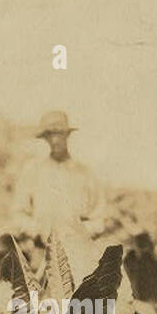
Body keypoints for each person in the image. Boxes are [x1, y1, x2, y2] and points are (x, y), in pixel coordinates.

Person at [11, 110, 105, 278]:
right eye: (49, 135)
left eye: (58, 134)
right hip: (41, 256)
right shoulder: (33, 170)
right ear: (44, 138)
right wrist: (37, 231)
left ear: (67, 135)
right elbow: (18, 214)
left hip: (79, 258)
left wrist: (77, 234)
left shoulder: (84, 174)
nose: (54, 140)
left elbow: (99, 219)